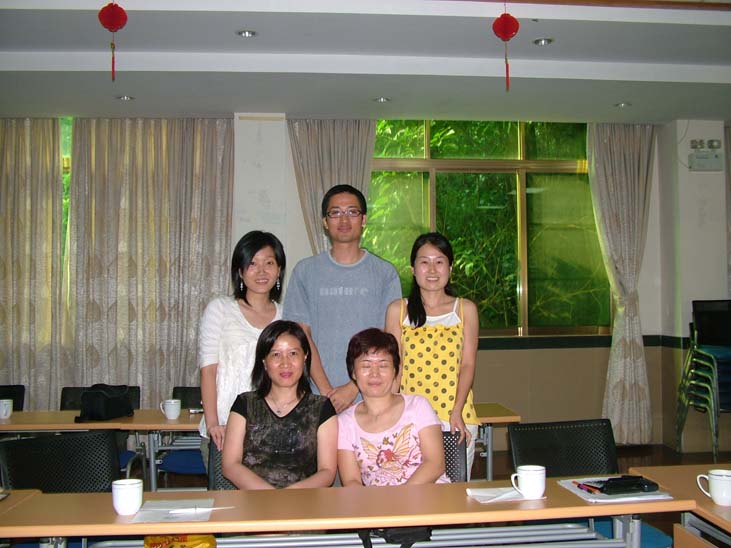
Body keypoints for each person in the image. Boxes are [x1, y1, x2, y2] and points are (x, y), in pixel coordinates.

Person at [284, 184, 402, 412]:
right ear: (325, 222)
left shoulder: (385, 273)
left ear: (364, 219)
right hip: (316, 397)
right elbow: (301, 335)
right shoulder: (305, 271)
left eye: (352, 212)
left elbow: (389, 338)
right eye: (335, 212)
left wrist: (353, 387)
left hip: (371, 397)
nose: (344, 219)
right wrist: (326, 391)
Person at [385, 232, 480, 478]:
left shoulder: (465, 309)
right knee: (411, 492)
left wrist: (457, 410)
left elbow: (468, 364)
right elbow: (394, 367)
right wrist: (388, 414)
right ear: (413, 269)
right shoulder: (398, 310)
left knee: (453, 493)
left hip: (454, 417)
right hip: (410, 419)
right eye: (424, 262)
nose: (432, 269)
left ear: (450, 268)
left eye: (439, 262)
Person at [198, 230, 286, 460]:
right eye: (253, 263)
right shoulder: (220, 309)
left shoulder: (286, 316)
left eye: (269, 263)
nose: (261, 271)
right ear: (240, 271)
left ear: (279, 270)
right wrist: (213, 423)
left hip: (272, 432)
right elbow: (208, 370)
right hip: (225, 428)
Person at [222, 320, 338, 489]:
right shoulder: (244, 404)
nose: (285, 363)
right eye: (276, 354)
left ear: (305, 357)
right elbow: (230, 465)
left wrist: (288, 496)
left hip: (304, 500)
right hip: (253, 499)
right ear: (264, 361)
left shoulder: (322, 408)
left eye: (293, 353)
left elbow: (327, 472)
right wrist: (271, 496)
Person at [337, 328, 449, 486]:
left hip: (429, 496)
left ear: (395, 370)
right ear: (353, 373)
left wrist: (399, 498)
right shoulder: (344, 423)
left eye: (383, 365)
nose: (375, 373)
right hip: (377, 502)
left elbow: (435, 464)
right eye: (366, 366)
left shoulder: (418, 406)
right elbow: (351, 481)